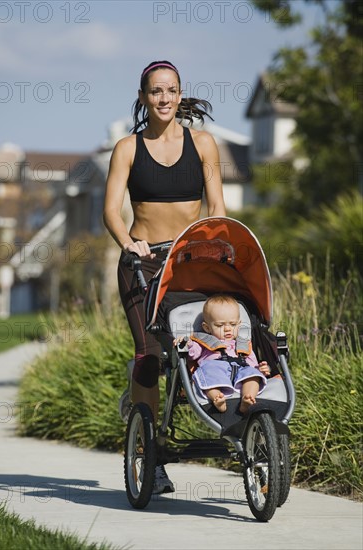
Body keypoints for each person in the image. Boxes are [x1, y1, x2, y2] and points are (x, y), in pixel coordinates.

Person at [103, 60, 227, 493]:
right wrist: (127, 242)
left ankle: (150, 399)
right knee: (152, 356)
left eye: (171, 91)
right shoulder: (127, 148)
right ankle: (151, 453)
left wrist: (218, 243)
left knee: (197, 349)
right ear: (143, 97)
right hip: (143, 261)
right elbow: (111, 210)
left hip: (190, 262)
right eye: (155, 91)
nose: (164, 98)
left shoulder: (205, 144)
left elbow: (217, 206)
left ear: (179, 95)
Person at [179, 295, 270, 414]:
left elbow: (251, 363)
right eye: (220, 325)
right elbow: (192, 355)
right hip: (215, 370)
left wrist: (260, 369)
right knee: (207, 373)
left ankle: (248, 398)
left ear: (239, 324)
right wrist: (187, 344)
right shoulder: (203, 341)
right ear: (207, 328)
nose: (227, 329)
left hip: (240, 370)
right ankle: (217, 398)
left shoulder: (243, 343)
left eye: (232, 324)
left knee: (253, 375)